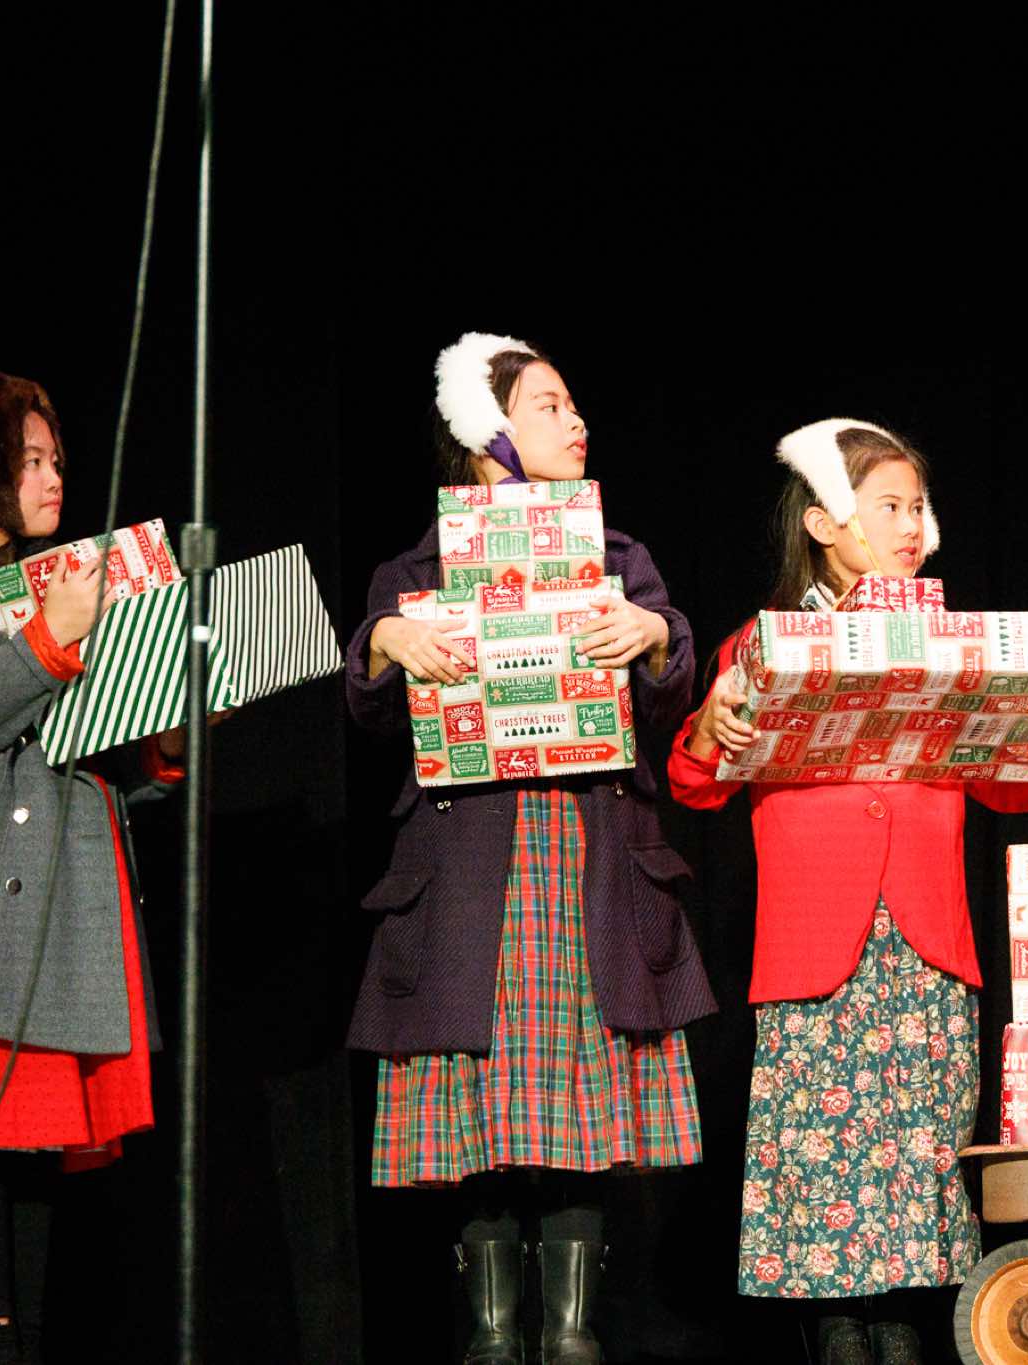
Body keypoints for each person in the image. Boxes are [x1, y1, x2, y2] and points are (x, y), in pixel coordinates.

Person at [667, 419, 1028, 1365]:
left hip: (926, 938)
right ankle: (838, 1331)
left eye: (917, 507)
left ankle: (902, 1327)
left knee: (919, 1150)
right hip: (817, 944)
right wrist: (711, 725)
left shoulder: (951, 644)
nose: (910, 525)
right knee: (824, 1159)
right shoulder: (766, 643)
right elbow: (695, 782)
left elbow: (1007, 788)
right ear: (825, 521)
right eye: (888, 506)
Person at [344, 333, 715, 1365]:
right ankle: (491, 1337)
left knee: (575, 1125)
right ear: (488, 436)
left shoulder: (618, 559)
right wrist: (383, 642)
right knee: (482, 1123)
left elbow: (671, 690)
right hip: (471, 874)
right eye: (549, 405)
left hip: (584, 857)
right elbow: (367, 709)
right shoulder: (413, 571)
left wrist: (656, 635)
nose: (576, 419)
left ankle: (573, 1337)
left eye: (571, 402)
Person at [0, 367, 184, 1365]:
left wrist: (165, 735)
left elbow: (89, 756)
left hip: (63, 904)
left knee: (41, 1147)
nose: (54, 479)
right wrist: (53, 639)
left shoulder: (61, 587)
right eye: (28, 461)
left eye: (56, 459)